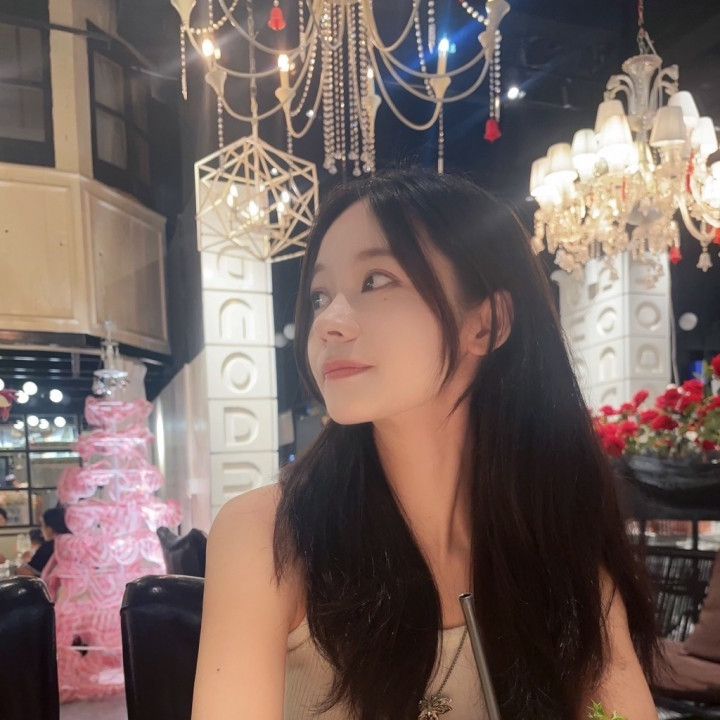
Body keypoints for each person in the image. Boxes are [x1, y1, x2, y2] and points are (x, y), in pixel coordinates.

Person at [192, 170, 660, 720]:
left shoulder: (555, 540)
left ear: (485, 324)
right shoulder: (268, 535)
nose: (328, 323)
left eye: (376, 280)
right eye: (320, 295)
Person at [17, 507, 70, 577]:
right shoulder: (73, 544)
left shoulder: (48, 547)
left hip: (49, 583)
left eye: (42, 525)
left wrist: (23, 561)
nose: (41, 530)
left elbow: (24, 573)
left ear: (49, 529)